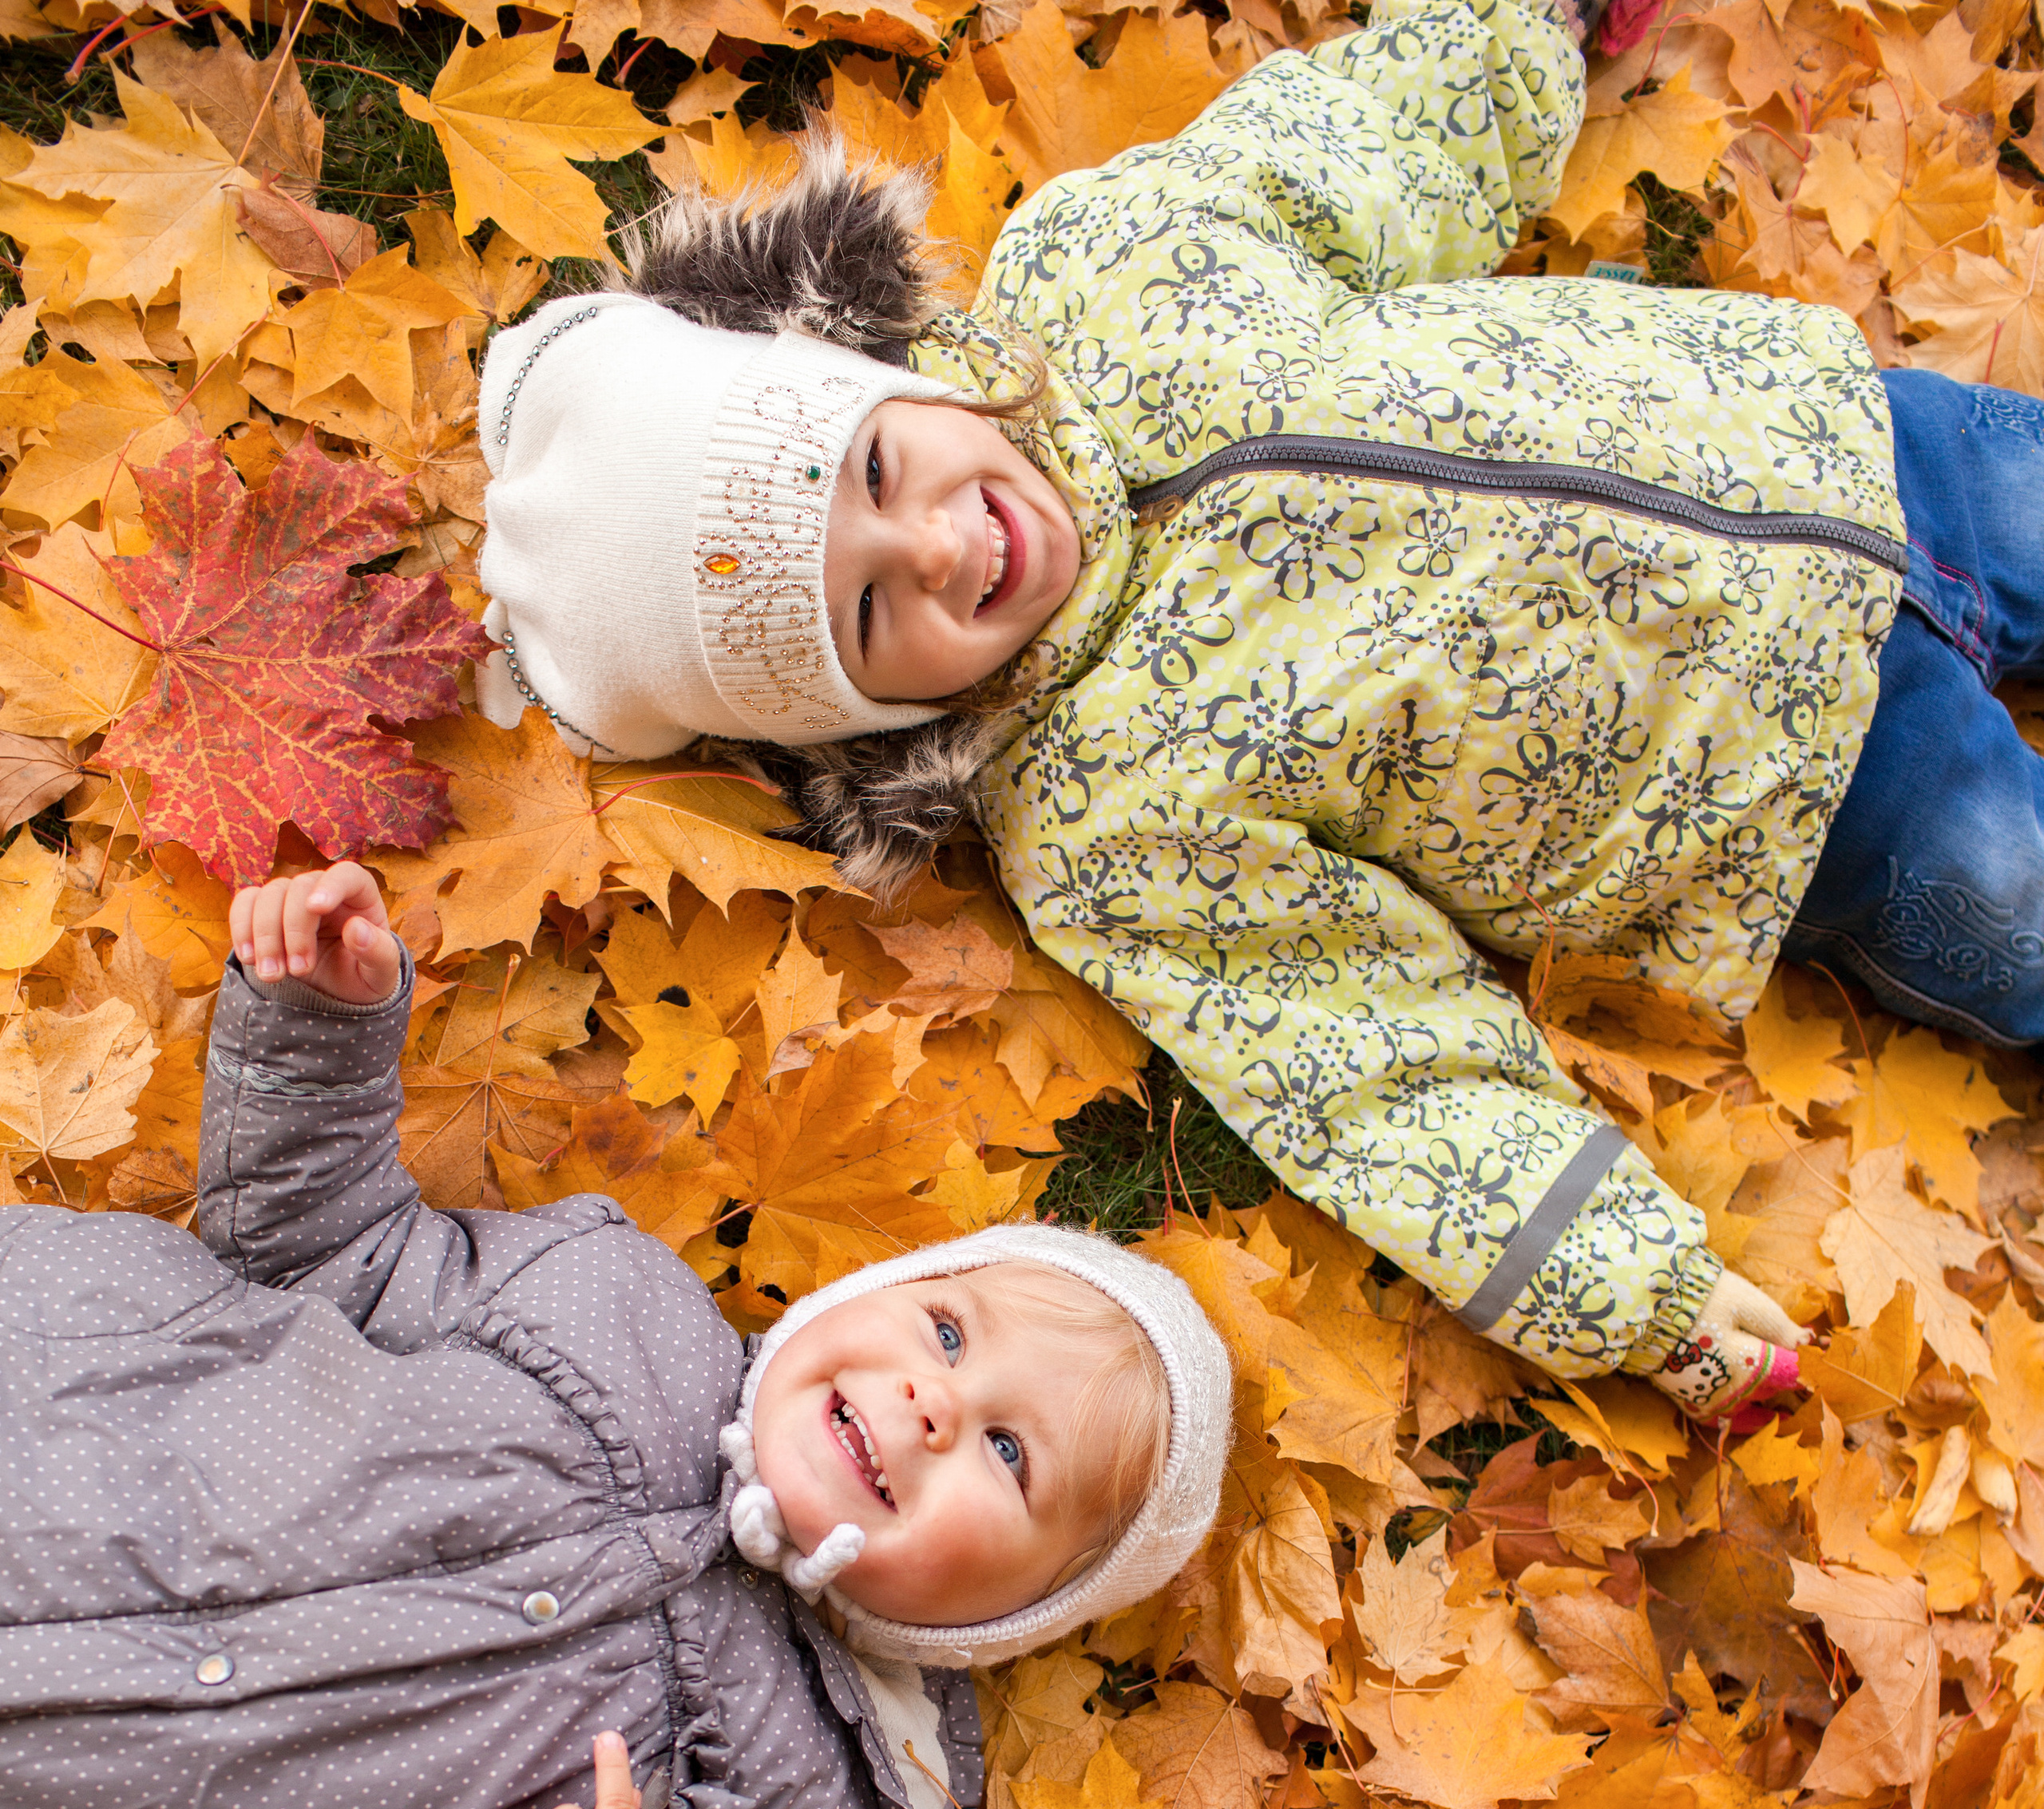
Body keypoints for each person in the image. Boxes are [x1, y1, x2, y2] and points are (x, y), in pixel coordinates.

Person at [474, 0, 2022, 1426]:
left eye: (878, 471)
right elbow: (1361, 1056)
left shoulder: (1114, 267)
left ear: (877, 377)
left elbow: (1377, 144)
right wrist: (1626, 1288)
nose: (939, 546)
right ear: (855, 716)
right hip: (1797, 796)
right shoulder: (1101, 826)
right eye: (872, 611)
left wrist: (1515, 23)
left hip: (1834, 439)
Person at [0, 865, 1230, 1809]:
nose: (935, 1402)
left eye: (1008, 1451)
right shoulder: (612, 1307)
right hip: (64, 1436)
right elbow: (328, 1248)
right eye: (946, 1330)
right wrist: (323, 1028)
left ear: (1013, 1615)